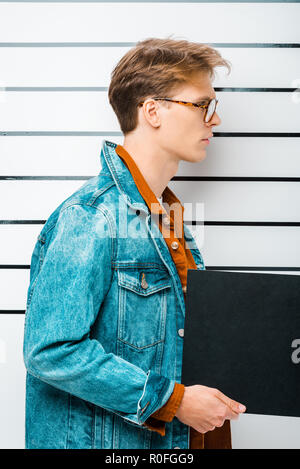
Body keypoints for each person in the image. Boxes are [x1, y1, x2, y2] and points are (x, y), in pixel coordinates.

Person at [23, 37, 246, 449]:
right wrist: (173, 401)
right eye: (202, 105)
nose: (213, 120)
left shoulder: (171, 219)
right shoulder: (92, 215)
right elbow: (50, 351)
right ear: (152, 111)